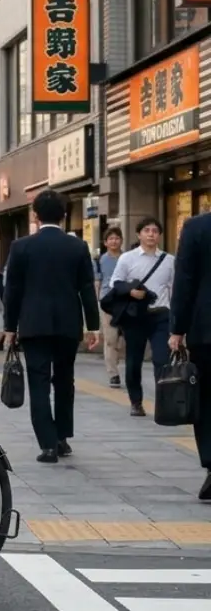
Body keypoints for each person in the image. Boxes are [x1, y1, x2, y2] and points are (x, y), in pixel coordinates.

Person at [2, 190, 100, 464]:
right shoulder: (77, 246)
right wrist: (94, 326)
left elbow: (13, 291)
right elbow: (86, 290)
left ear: (35, 215)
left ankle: (47, 445)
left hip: (33, 325)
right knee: (65, 381)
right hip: (69, 324)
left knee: (39, 382)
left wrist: (10, 326)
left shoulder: (21, 247)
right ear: (64, 215)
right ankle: (62, 437)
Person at [109, 217, 174, 417]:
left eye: (155, 231)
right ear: (139, 234)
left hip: (161, 314)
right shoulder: (127, 258)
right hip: (135, 316)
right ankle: (136, 402)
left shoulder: (169, 260)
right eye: (147, 230)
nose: (151, 234)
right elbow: (115, 283)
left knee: (162, 360)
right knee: (134, 361)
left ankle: (163, 403)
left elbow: (173, 289)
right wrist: (130, 291)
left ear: (159, 235)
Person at [168, 212, 211, 501]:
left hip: (206, 330)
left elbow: (184, 280)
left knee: (206, 400)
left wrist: (178, 329)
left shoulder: (197, 227)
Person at [94, 227, 126, 387]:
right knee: (110, 339)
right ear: (106, 242)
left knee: (123, 339)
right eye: (110, 239)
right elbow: (97, 282)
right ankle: (113, 373)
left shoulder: (128, 258)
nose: (114, 241)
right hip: (107, 303)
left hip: (127, 302)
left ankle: (116, 359)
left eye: (117, 238)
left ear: (121, 240)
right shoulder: (100, 260)